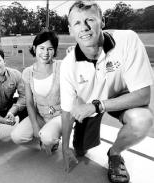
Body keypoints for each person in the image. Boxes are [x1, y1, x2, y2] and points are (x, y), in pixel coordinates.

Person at [60, 1, 154, 183]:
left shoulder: (127, 39)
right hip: (88, 104)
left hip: (118, 98)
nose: (85, 28)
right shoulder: (68, 65)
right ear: (70, 29)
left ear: (103, 21)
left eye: (90, 20)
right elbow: (66, 111)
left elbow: (143, 94)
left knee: (143, 119)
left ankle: (115, 153)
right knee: (80, 149)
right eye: (77, 23)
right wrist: (65, 148)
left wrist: (98, 106)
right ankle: (81, 142)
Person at [11, 31, 62, 155]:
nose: (45, 53)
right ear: (34, 48)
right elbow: (29, 101)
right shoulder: (28, 72)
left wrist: (74, 56)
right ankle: (43, 143)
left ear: (54, 50)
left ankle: (52, 139)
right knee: (16, 136)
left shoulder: (62, 66)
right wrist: (35, 126)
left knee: (47, 137)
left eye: (50, 49)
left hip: (60, 115)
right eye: (42, 48)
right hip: (40, 115)